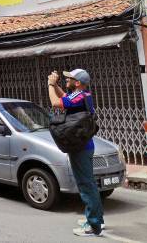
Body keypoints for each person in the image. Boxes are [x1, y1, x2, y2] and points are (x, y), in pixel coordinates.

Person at [48, 69, 104, 237]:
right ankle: (95, 217)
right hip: (83, 145)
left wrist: (51, 85)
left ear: (77, 83)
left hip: (81, 148)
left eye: (70, 79)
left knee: (86, 185)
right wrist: (57, 86)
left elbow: (56, 103)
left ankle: (93, 225)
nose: (67, 80)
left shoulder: (79, 96)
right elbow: (65, 97)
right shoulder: (82, 95)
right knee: (88, 184)